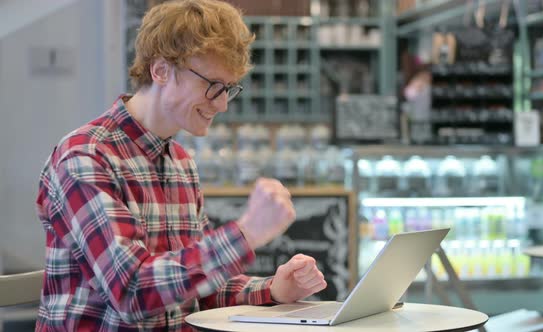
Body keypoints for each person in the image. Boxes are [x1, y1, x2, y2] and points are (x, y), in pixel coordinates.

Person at [35, 0, 327, 330]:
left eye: (228, 89)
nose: (222, 104)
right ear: (160, 70)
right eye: (212, 85)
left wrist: (273, 288)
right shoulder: (86, 157)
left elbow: (194, 288)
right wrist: (245, 234)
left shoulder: (180, 163)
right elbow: (132, 292)